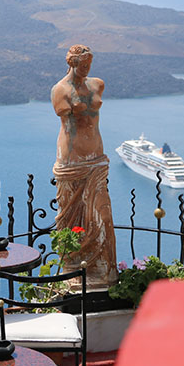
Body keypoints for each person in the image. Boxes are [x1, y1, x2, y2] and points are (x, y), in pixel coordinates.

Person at [51, 44, 118, 290]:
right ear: (72, 63)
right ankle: (73, 268)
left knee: (102, 214)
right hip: (72, 159)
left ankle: (103, 268)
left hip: (96, 158)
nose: (87, 69)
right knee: (71, 218)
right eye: (83, 65)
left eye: (90, 64)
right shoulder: (60, 90)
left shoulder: (97, 84)